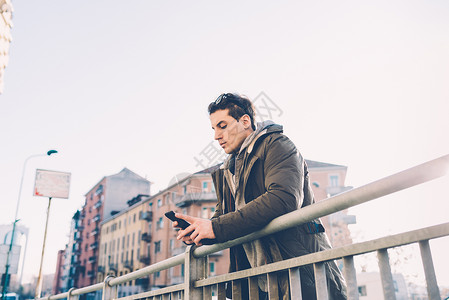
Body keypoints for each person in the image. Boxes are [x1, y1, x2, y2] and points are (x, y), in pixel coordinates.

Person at [174, 93, 347, 299]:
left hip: (299, 269)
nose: (216, 136)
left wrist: (215, 227)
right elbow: (223, 222)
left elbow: (283, 198)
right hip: (258, 282)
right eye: (213, 129)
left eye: (223, 126)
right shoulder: (228, 170)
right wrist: (199, 231)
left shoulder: (278, 145)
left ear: (245, 121)